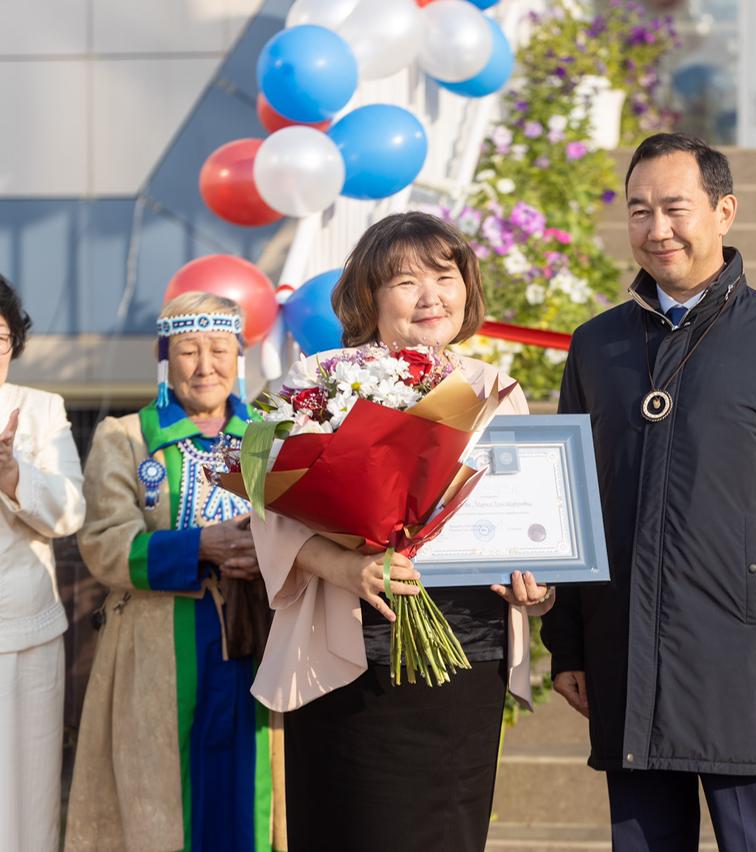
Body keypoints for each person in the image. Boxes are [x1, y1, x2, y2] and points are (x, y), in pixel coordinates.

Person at [540, 133, 756, 852]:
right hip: (624, 655)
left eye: (675, 208)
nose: (658, 230)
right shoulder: (596, 346)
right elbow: (571, 501)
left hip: (741, 663)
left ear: (724, 212)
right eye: (639, 211)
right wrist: (569, 645)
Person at [249, 211, 554, 852]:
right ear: (369, 295)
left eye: (445, 277)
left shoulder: (497, 390)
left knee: (450, 832)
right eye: (405, 281)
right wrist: (344, 567)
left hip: (467, 658)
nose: (430, 296)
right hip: (354, 655)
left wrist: (539, 584)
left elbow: (528, 523)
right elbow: (266, 505)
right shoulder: (316, 383)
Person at [65, 292, 279, 851]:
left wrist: (269, 555)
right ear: (165, 359)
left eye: (219, 350)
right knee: (159, 799)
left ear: (239, 357)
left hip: (257, 644)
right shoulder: (125, 437)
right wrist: (201, 545)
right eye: (188, 351)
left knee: (250, 796)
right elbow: (104, 545)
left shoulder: (271, 436)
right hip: (155, 647)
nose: (205, 366)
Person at [0, 275, 86, 852]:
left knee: (27, 804)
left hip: (26, 632)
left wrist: (13, 476)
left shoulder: (39, 409)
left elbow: (70, 511)